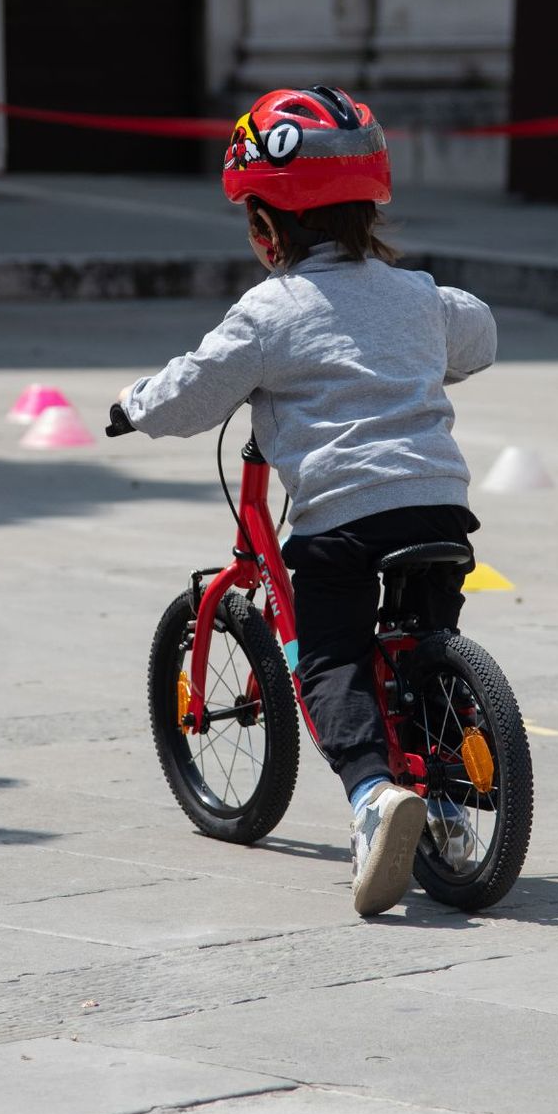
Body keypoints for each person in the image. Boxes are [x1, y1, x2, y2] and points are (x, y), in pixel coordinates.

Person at [116, 86, 497, 917]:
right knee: (427, 640)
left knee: (330, 659)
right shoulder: (417, 294)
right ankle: (451, 784)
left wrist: (134, 406)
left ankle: (372, 795)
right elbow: (478, 332)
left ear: (264, 229)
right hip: (441, 508)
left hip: (345, 519)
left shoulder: (269, 311)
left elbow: (196, 389)